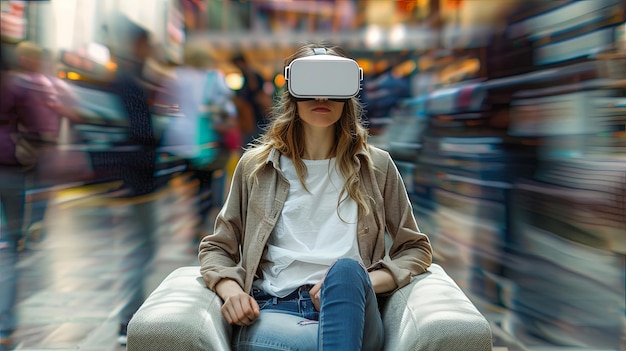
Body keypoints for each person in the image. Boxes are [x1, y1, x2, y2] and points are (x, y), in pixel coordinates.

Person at [198, 43, 433, 350]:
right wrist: (231, 292)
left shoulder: (377, 167)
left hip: (356, 310)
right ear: (291, 91)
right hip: (275, 312)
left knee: (347, 272)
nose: (321, 97)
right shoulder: (256, 167)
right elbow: (218, 247)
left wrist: (354, 286)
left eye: (332, 85)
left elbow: (415, 248)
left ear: (348, 92)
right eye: (310, 85)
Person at [231, 54, 272, 146]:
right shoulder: (249, 75)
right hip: (255, 116)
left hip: (255, 115)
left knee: (254, 141)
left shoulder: (251, 76)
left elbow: (250, 94)